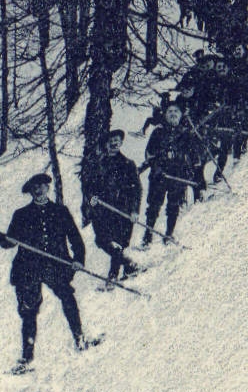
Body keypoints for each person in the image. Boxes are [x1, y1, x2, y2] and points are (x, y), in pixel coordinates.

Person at [0, 173, 90, 372]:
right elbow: (11, 242)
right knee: (29, 309)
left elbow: (75, 237)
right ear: (30, 192)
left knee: (68, 297)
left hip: (56, 265)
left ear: (48, 187)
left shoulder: (60, 212)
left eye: (41, 186)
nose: (38, 191)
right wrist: (4, 239)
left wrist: (78, 259)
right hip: (29, 267)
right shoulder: (21, 214)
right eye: (33, 188)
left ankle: (80, 338)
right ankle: (27, 357)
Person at [81, 129, 143, 285]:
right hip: (102, 211)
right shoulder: (96, 165)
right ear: (106, 144)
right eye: (111, 141)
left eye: (117, 141)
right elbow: (87, 186)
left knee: (119, 242)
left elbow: (136, 189)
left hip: (123, 210)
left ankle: (113, 275)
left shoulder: (128, 164)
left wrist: (135, 210)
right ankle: (129, 265)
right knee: (102, 241)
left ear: (121, 143)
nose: (114, 143)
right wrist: (91, 199)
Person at [141, 101, 195, 243]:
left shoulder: (186, 133)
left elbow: (192, 155)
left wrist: (187, 168)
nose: (173, 114)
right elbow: (149, 154)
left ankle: (169, 234)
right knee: (153, 206)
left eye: (176, 112)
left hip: (178, 175)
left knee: (173, 205)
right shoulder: (158, 132)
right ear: (165, 115)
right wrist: (158, 165)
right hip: (160, 175)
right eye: (170, 111)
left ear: (181, 115)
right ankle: (148, 234)